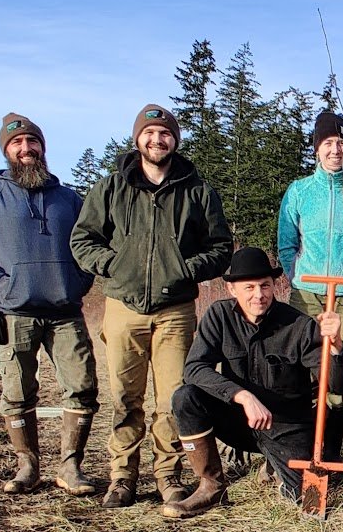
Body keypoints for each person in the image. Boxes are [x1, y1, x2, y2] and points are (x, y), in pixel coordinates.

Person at [71, 104, 234, 509]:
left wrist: (184, 269)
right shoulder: (111, 188)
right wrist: (115, 266)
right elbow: (82, 240)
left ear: (175, 140)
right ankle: (122, 476)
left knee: (173, 398)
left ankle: (168, 476)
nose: (157, 140)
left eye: (165, 133)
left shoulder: (197, 191)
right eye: (150, 133)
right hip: (123, 306)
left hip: (175, 309)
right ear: (137, 139)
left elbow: (220, 248)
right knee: (126, 397)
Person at [0, 113, 100, 496]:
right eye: (16, 144)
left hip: (65, 311)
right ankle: (27, 466)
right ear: (6, 151)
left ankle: (70, 467)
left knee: (82, 386)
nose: (25, 149)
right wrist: (3, 286)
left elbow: (88, 247)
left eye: (32, 142)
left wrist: (79, 283)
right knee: (17, 391)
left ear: (43, 148)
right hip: (12, 311)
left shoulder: (70, 199)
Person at [163, 247, 343, 519]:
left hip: (286, 426)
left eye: (265, 286)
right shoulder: (218, 316)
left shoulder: (299, 325)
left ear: (275, 286)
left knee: (307, 503)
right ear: (232, 290)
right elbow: (194, 368)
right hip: (238, 420)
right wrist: (242, 396)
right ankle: (211, 487)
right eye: (248, 287)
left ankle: (276, 466)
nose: (258, 295)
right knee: (185, 397)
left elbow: (337, 385)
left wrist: (336, 346)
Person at [277, 110, 343, 461]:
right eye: (328, 143)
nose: (335, 150)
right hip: (306, 295)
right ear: (316, 149)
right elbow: (286, 242)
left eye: (341, 143)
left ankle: (330, 451)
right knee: (301, 372)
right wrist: (296, 276)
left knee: (339, 373)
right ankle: (298, 446)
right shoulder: (300, 191)